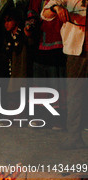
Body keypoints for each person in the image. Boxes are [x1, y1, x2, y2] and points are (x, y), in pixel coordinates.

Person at [42, 0, 87, 149]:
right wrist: (56, 8)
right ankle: (74, 136)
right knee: (75, 94)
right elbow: (45, 13)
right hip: (76, 49)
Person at [28, 0, 67, 130]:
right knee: (40, 82)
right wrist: (29, 26)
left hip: (59, 44)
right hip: (39, 43)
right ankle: (39, 117)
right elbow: (32, 12)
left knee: (56, 82)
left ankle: (58, 119)